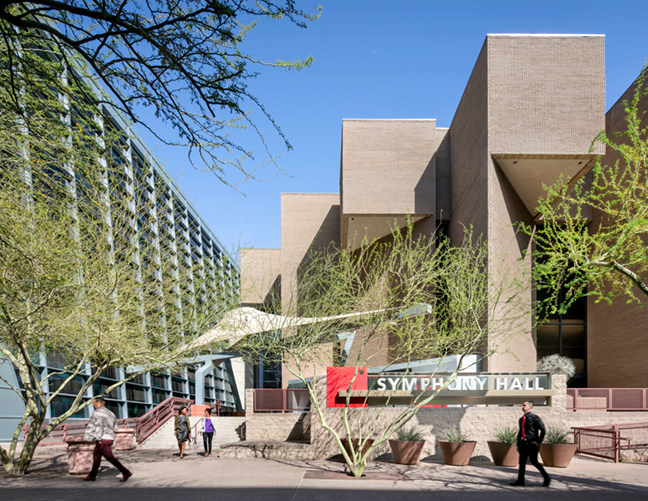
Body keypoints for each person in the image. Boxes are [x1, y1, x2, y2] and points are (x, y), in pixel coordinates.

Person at [82, 397, 132, 482]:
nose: (92, 404)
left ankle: (125, 472)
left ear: (98, 403)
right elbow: (115, 428)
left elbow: (99, 426)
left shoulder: (98, 413)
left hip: (102, 438)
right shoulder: (111, 413)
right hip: (108, 438)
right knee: (96, 456)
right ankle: (92, 475)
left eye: (94, 403)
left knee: (109, 456)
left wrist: (98, 438)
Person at [510, 400, 551, 487]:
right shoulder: (521, 419)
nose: (522, 406)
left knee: (534, 462)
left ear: (530, 407)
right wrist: (518, 443)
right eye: (522, 405)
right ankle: (520, 481)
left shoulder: (535, 418)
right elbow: (520, 432)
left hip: (532, 443)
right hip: (523, 443)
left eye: (524, 405)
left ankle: (547, 478)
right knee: (521, 462)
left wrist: (538, 441)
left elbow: (543, 430)